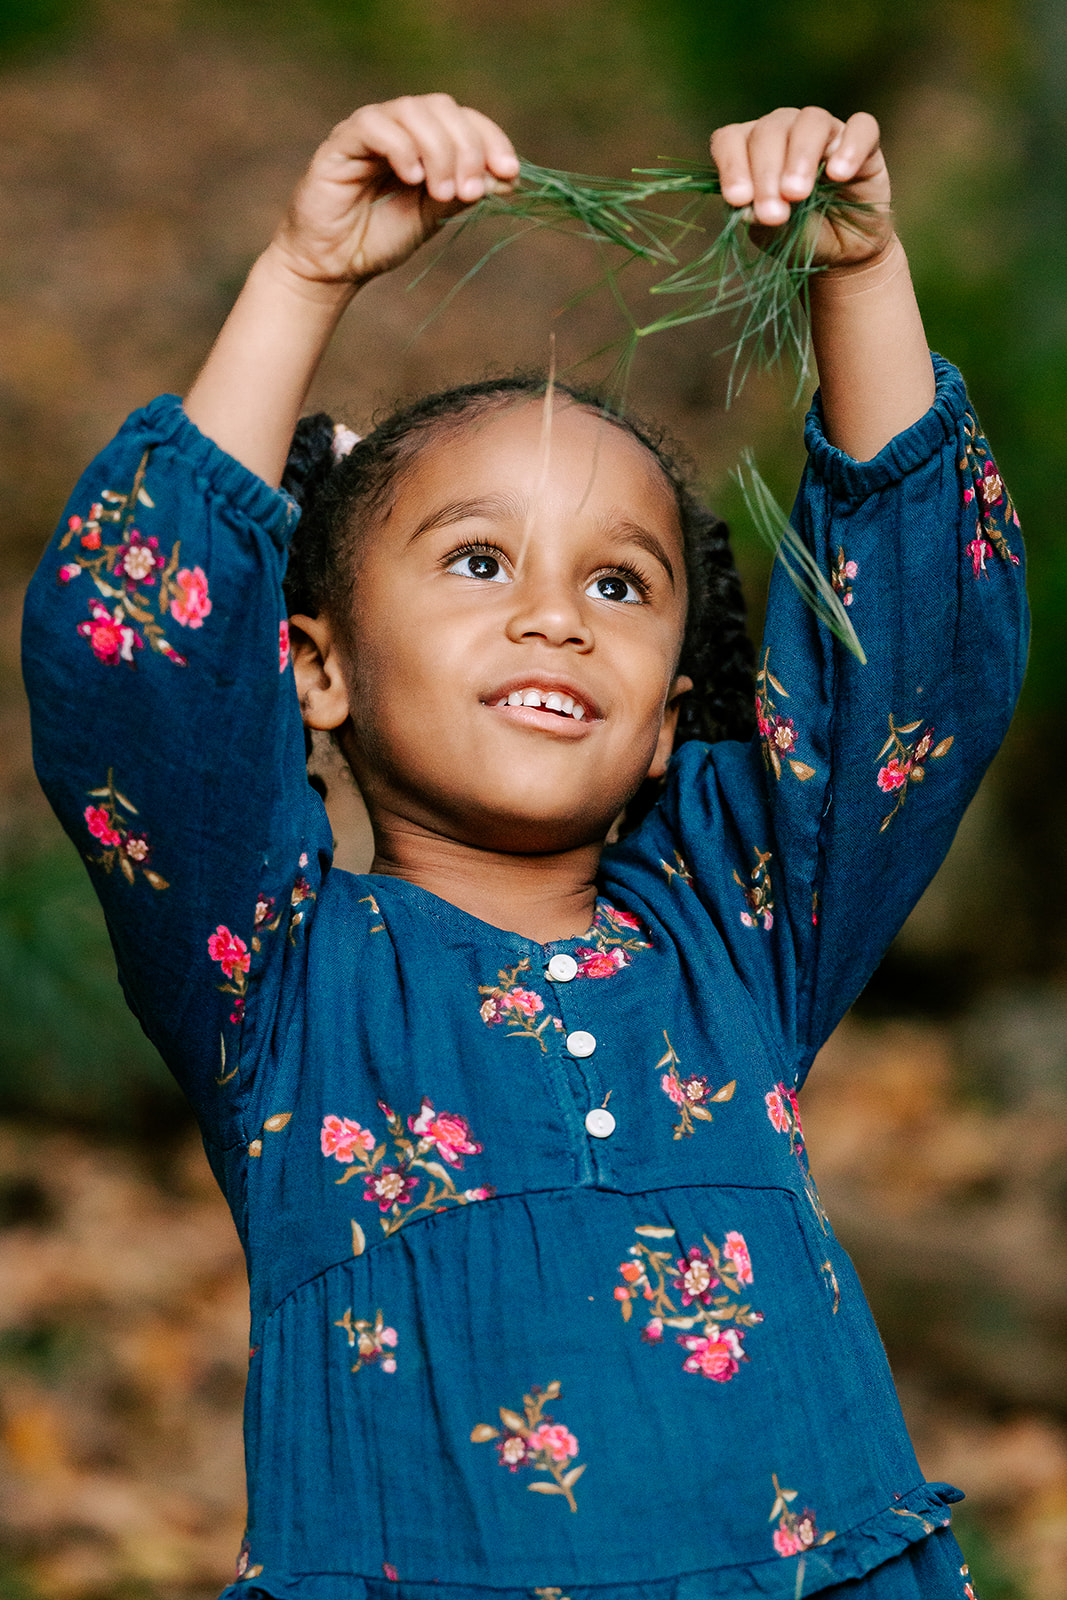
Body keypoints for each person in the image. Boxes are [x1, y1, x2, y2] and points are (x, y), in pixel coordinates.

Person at [22, 94, 1025, 1600]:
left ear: (672, 709)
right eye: (478, 561)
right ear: (315, 666)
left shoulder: (733, 934)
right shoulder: (282, 989)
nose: (554, 613)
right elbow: (139, 666)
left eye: (620, 584)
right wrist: (304, 274)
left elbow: (919, 662)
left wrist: (856, 271)